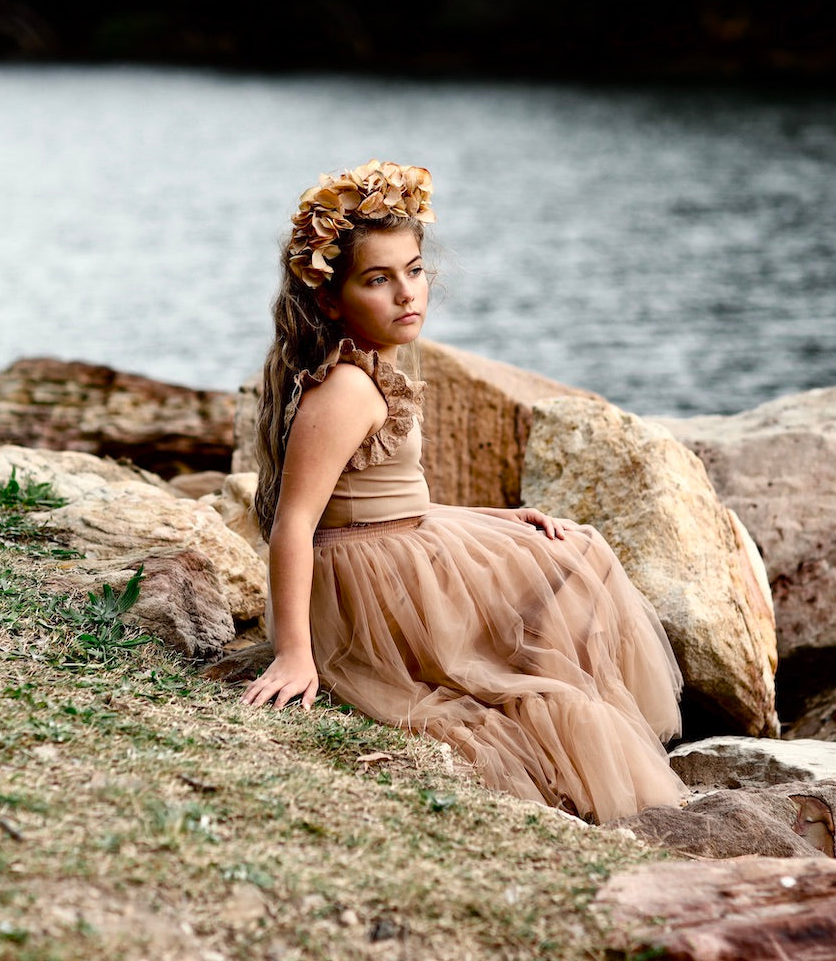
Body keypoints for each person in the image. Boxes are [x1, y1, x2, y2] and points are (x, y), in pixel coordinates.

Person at [241, 159, 688, 822]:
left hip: (405, 543)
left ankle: (600, 713)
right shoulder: (343, 391)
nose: (406, 295)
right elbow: (295, 525)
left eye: (414, 272)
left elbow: (383, 500)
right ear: (331, 299)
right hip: (367, 588)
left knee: (574, 551)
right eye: (378, 280)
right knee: (523, 685)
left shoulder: (371, 368)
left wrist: (499, 517)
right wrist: (295, 656)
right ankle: (584, 736)